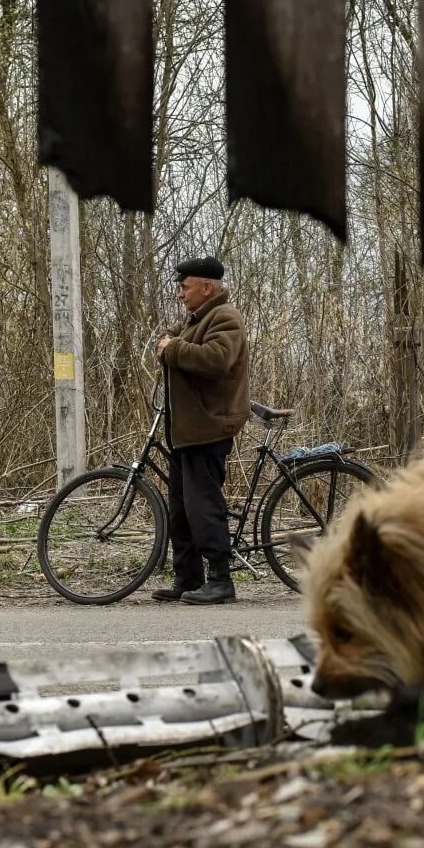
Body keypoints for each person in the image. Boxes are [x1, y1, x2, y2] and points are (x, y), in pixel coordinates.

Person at [151, 255, 250, 605]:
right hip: (186, 430)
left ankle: (221, 580)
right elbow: (179, 343)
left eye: (185, 287)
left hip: (208, 428)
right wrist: (171, 343)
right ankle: (188, 577)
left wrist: (173, 348)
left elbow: (217, 359)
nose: (181, 294)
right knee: (181, 508)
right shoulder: (199, 318)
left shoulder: (226, 317)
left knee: (204, 506)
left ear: (207, 288)